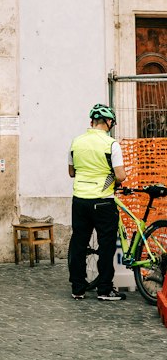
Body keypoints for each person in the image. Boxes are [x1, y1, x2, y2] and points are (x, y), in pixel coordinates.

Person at [67, 103, 126, 302]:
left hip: (80, 200)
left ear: (92, 121)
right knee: (106, 245)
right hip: (103, 202)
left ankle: (78, 288)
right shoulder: (111, 144)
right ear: (108, 122)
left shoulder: (76, 142)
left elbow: (71, 172)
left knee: (79, 243)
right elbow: (121, 175)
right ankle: (104, 289)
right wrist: (110, 178)